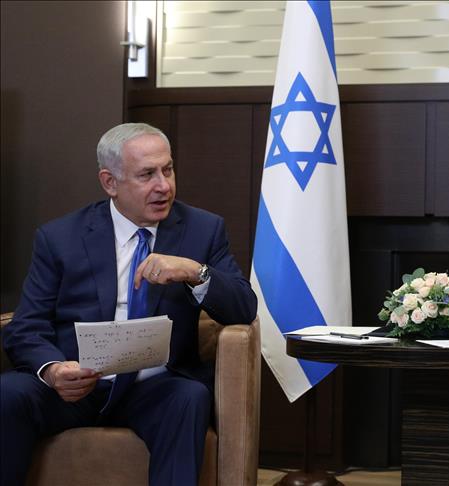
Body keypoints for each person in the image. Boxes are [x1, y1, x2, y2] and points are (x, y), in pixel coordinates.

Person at [0, 123, 258, 485]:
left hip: (154, 388)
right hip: (75, 387)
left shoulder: (203, 229)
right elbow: (26, 326)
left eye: (168, 169)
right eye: (147, 175)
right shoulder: (60, 238)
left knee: (189, 397)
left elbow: (244, 308)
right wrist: (54, 370)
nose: (164, 186)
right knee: (8, 393)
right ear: (110, 182)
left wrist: (194, 271)